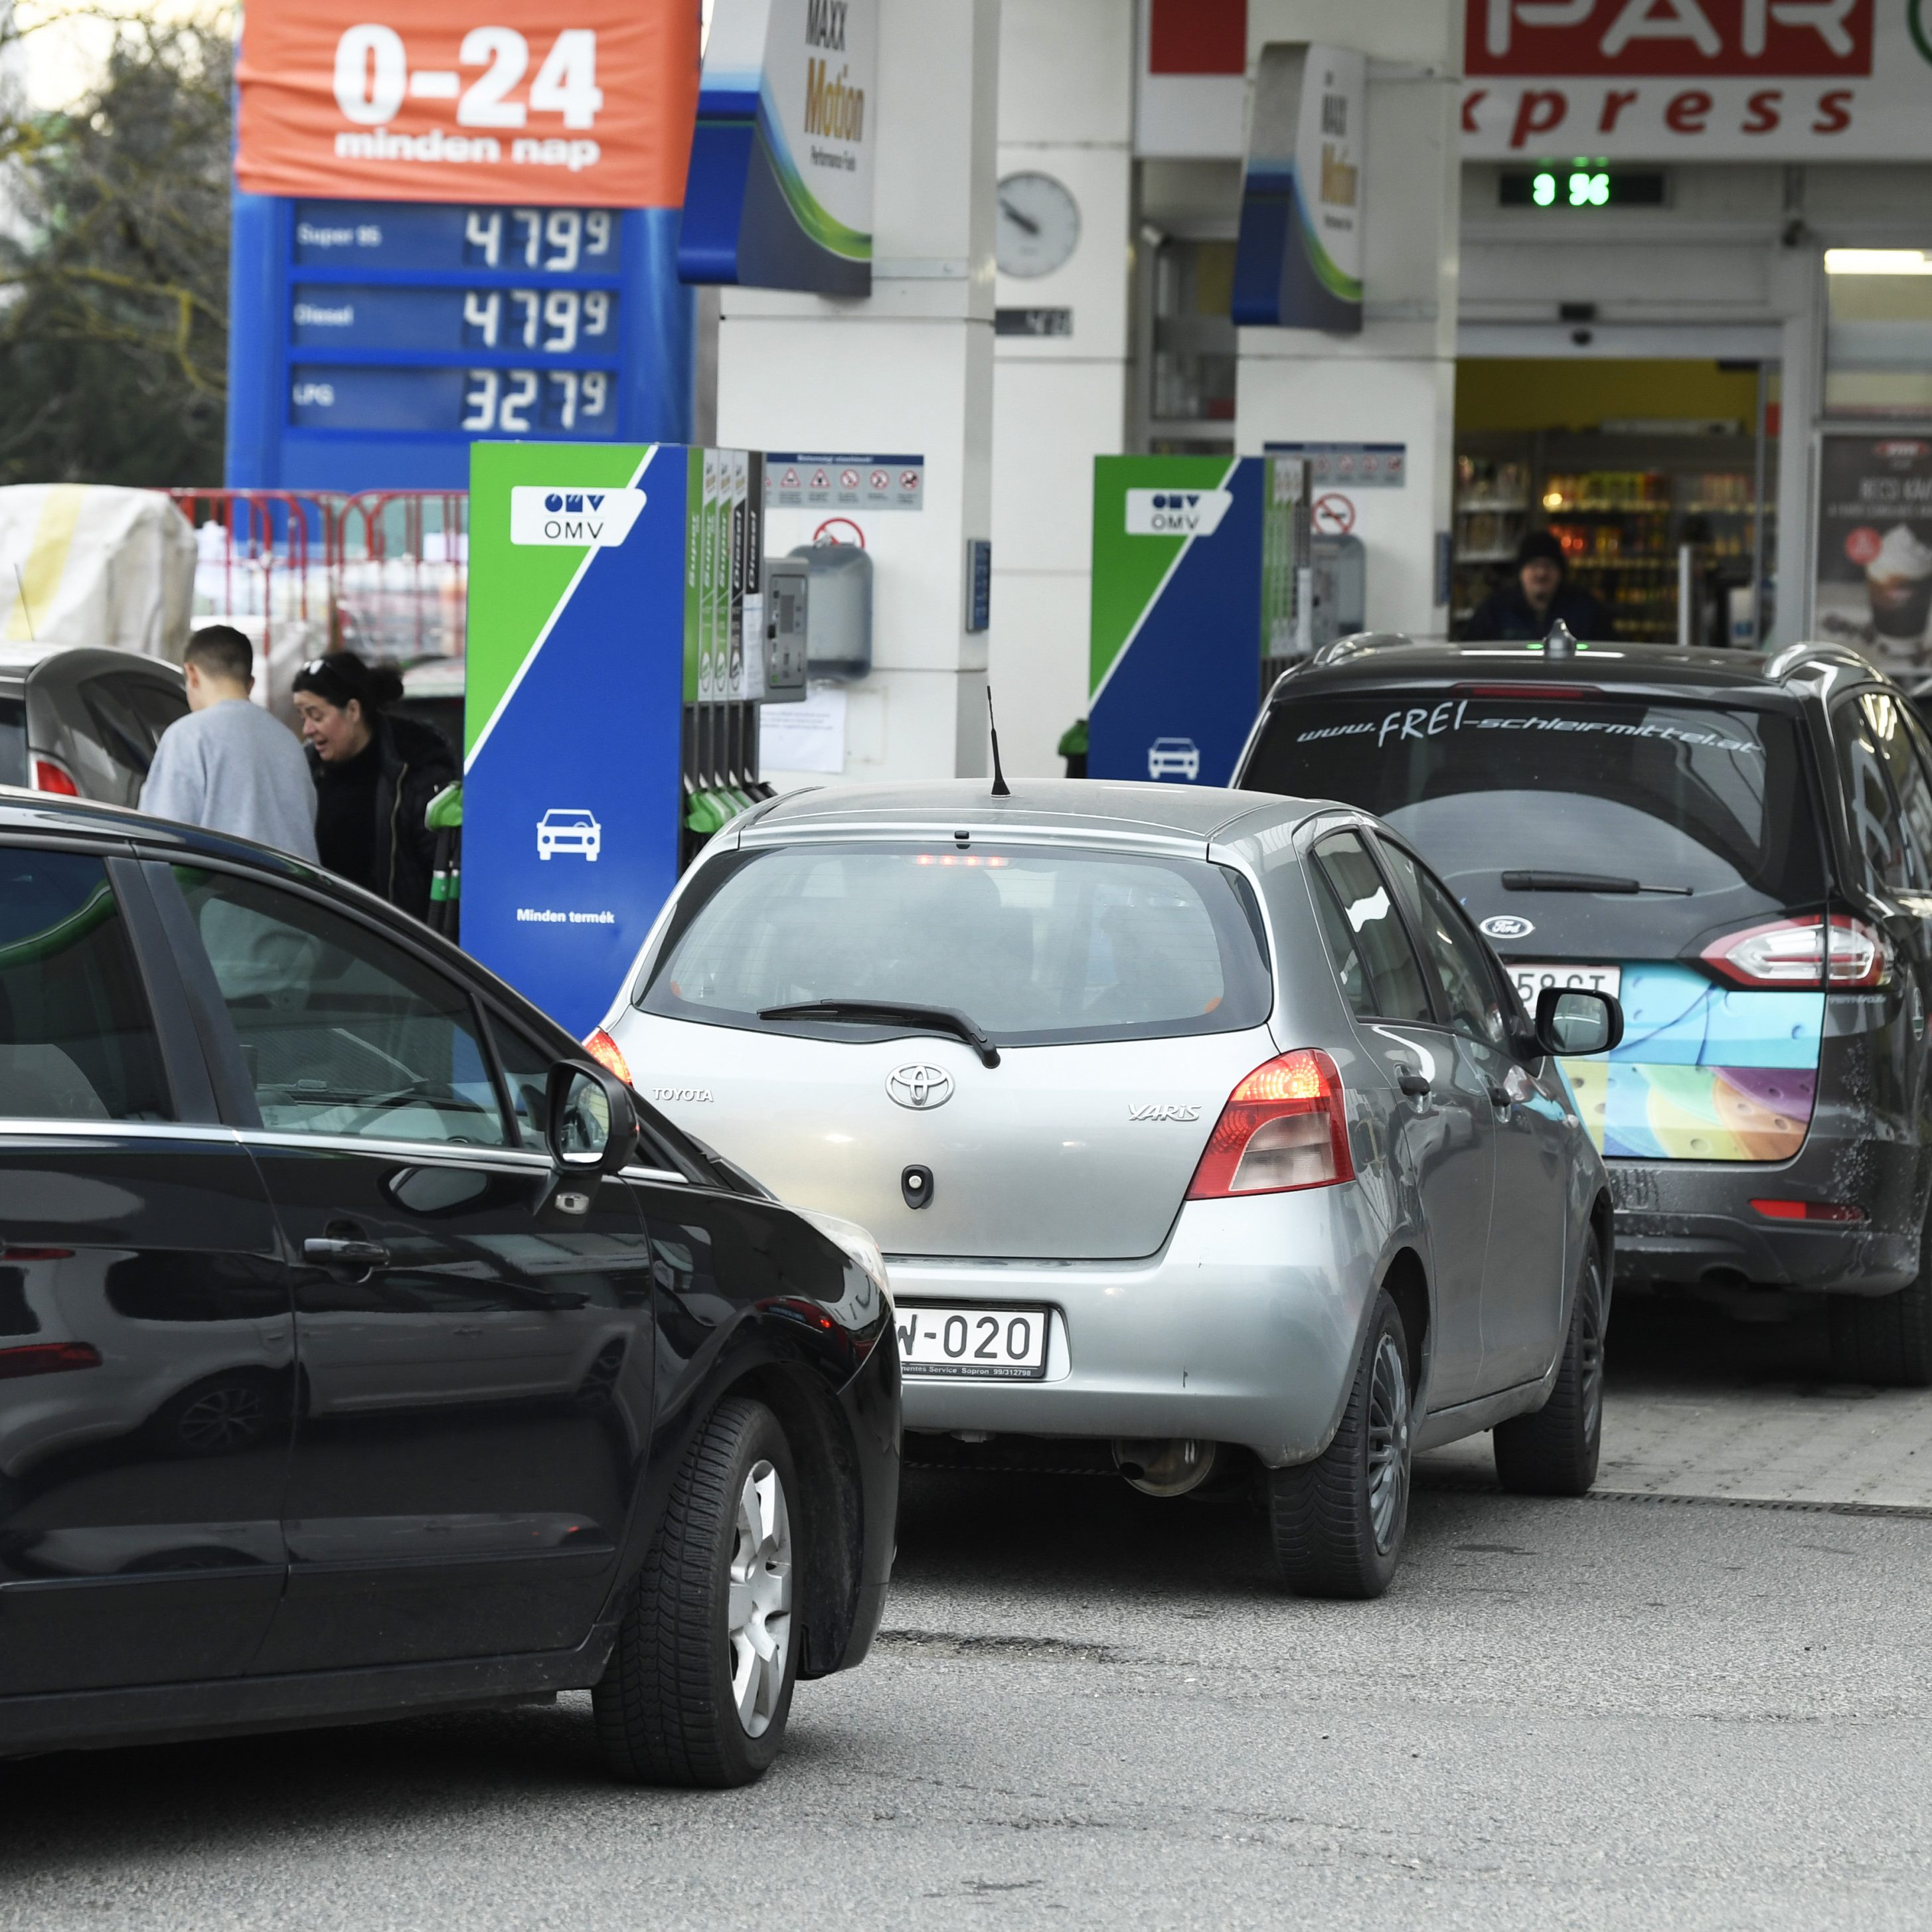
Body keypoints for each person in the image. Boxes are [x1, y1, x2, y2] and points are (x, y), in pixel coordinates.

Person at [292, 652, 458, 922]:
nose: (308, 729)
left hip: (394, 943)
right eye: (302, 717)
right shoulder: (304, 770)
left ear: (354, 711)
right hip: (321, 936)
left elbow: (441, 874)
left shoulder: (415, 774)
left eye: (316, 715)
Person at [141, 625, 319, 860]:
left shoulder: (188, 736)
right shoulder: (289, 742)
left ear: (192, 674)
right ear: (250, 683)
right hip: (300, 894)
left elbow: (159, 840)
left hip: (222, 895)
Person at [1461, 529, 1616, 643]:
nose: (1541, 573)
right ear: (1521, 572)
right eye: (1534, 566)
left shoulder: (1586, 610)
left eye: (1548, 566)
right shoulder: (1494, 610)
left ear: (1560, 573)